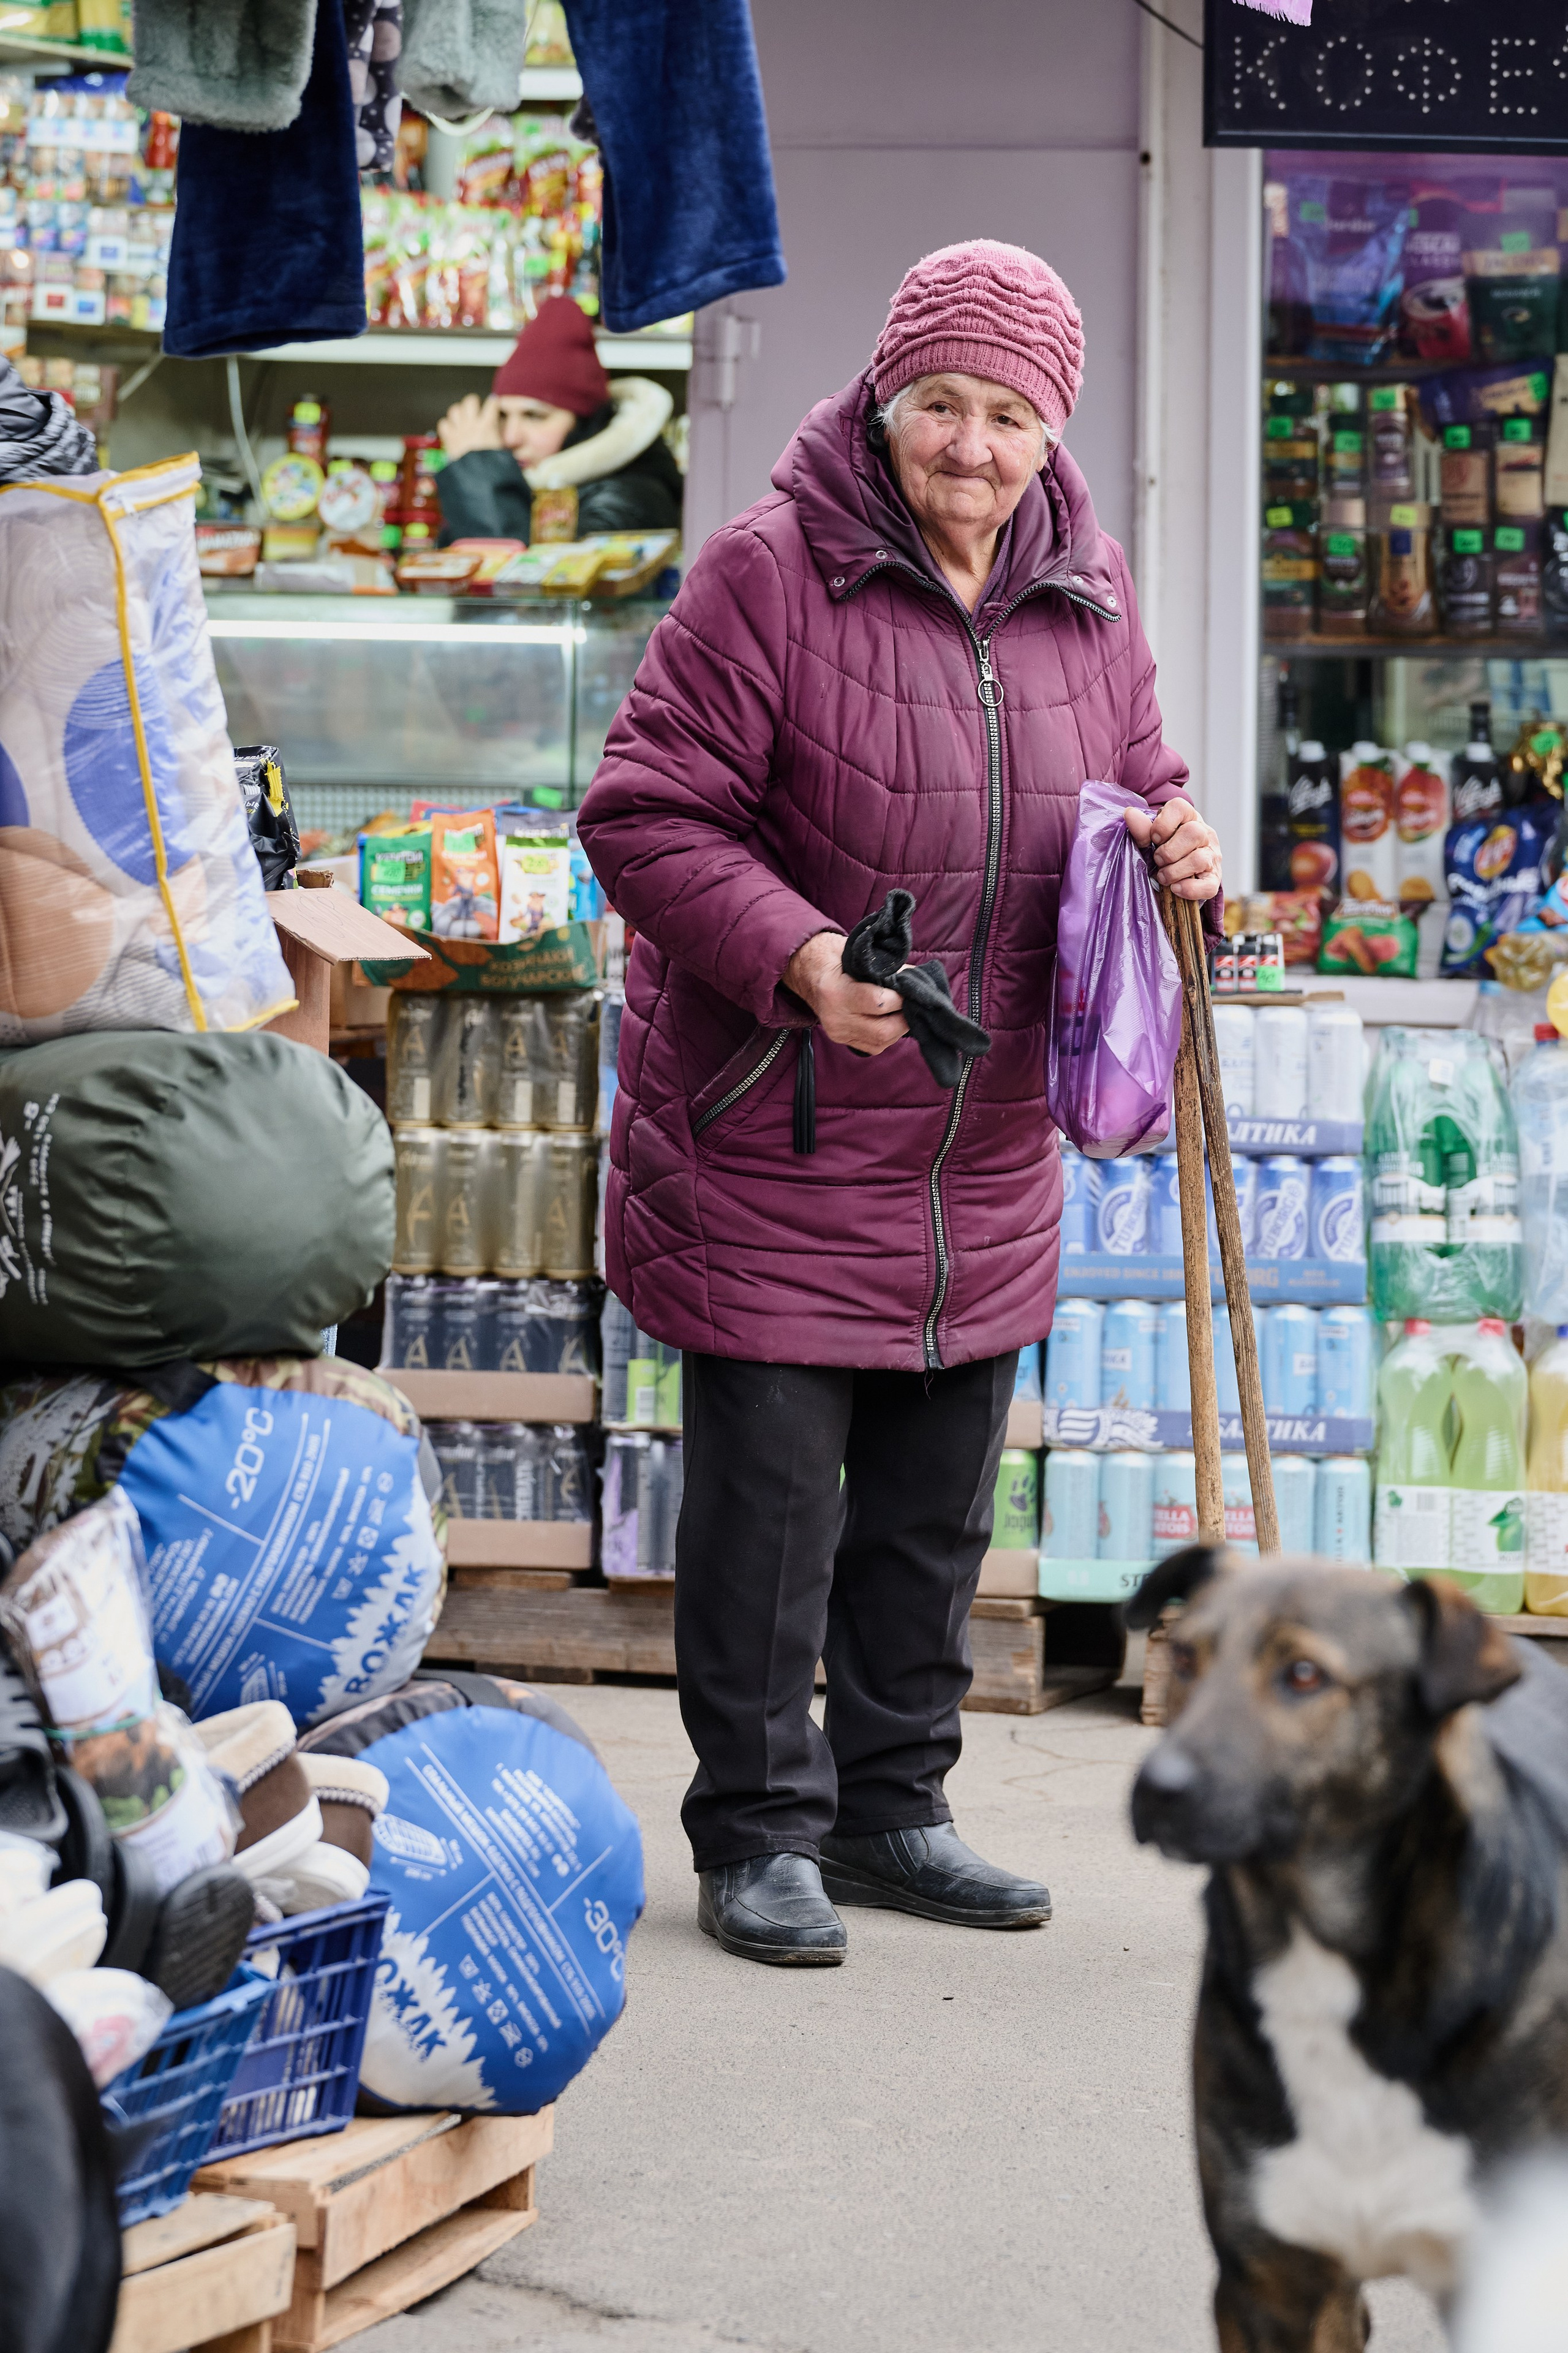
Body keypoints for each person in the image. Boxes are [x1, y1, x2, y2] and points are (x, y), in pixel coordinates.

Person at [576, 240, 1221, 1968]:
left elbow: (1140, 793)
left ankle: (893, 1810)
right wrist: (791, 957)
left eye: (1011, 415)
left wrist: (1187, 851)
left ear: (1051, 432)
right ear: (884, 394)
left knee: (937, 1509)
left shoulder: (1090, 590)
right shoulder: (768, 573)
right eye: (941, 402)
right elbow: (641, 816)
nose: (972, 446)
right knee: (773, 1512)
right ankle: (760, 1829)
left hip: (980, 1136)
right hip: (780, 1121)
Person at [434, 293, 684, 545]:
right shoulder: (518, 484)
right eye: (503, 417)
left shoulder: (630, 498)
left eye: (534, 416)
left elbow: (519, 578)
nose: (511, 438)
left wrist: (478, 472)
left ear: (584, 422)